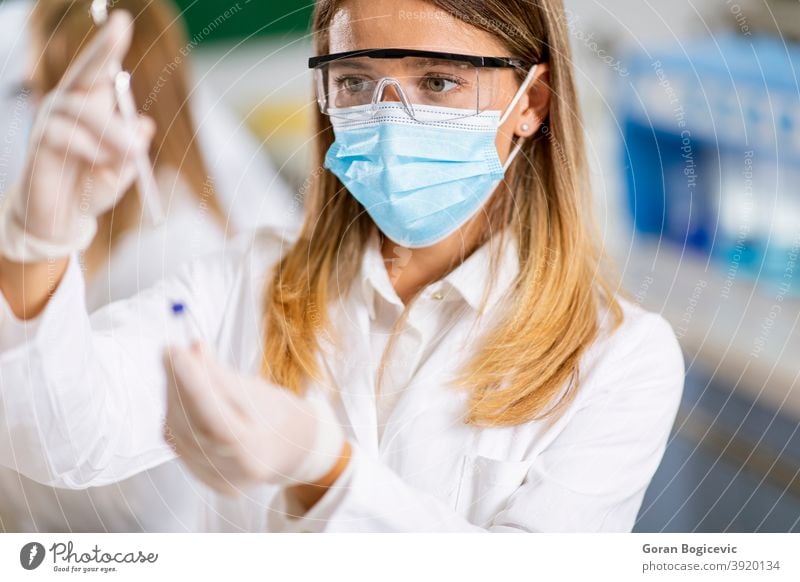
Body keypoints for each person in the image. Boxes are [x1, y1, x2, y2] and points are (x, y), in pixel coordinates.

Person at [0, 0, 685, 533]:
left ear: (529, 105)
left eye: (438, 81)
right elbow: (59, 437)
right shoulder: (244, 282)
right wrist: (34, 242)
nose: (390, 122)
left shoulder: (623, 357)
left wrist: (324, 471)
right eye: (356, 81)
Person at [0, 0, 298, 532]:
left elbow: (79, 448)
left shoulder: (173, 258)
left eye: (32, 91)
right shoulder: (112, 240)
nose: (26, 115)